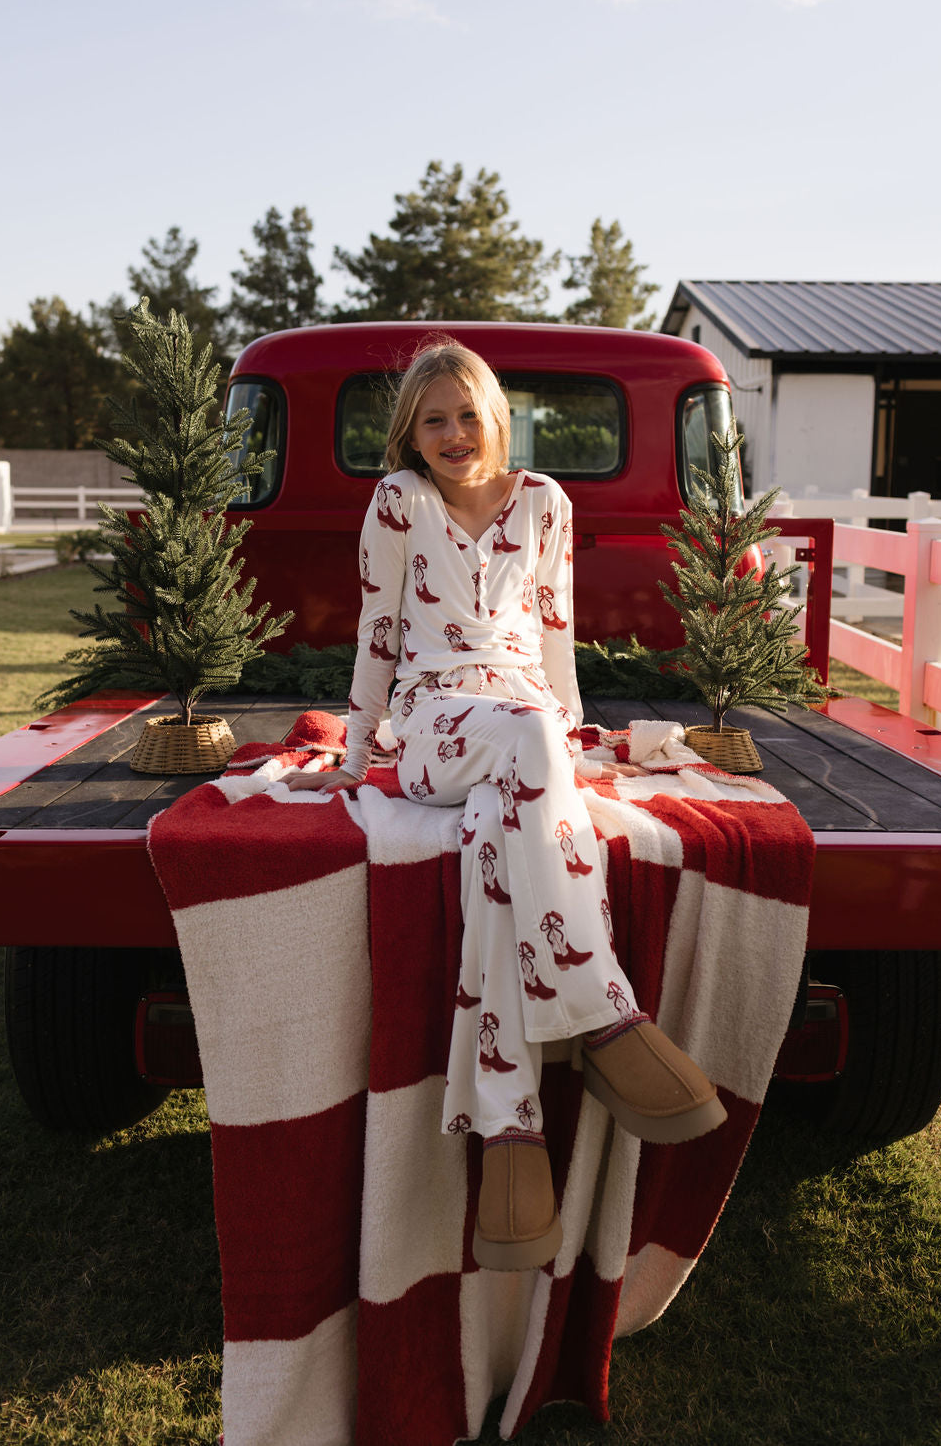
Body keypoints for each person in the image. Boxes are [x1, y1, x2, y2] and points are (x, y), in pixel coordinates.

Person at [289, 340, 726, 1270]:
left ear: (497, 414)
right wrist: (355, 752)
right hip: (432, 723)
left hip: (520, 714)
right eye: (431, 419)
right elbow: (377, 636)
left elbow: (555, 634)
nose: (452, 434)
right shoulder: (398, 505)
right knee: (523, 746)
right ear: (410, 432)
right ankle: (603, 1013)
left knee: (501, 830)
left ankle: (511, 1132)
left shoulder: (545, 503)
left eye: (465, 413)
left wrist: (567, 740)